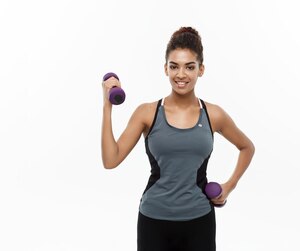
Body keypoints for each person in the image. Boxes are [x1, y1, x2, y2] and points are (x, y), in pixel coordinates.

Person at [100, 27, 255, 251]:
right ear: (165, 68)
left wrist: (229, 186)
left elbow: (246, 147)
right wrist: (107, 106)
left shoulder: (214, 114)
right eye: (174, 66)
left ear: (201, 70)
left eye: (189, 67)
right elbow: (110, 160)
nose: (181, 74)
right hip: (153, 221)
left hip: (199, 221)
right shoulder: (147, 113)